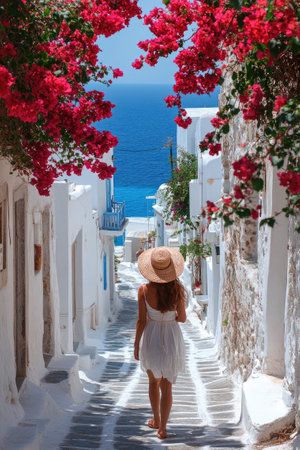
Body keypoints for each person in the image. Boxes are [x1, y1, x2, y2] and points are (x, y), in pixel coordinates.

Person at [134, 246, 187, 439]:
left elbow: (141, 320)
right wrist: (170, 315)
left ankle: (155, 419)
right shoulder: (177, 290)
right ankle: (162, 428)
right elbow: (182, 318)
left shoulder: (144, 290)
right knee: (167, 385)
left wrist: (136, 344)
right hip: (172, 336)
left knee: (153, 381)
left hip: (152, 336)